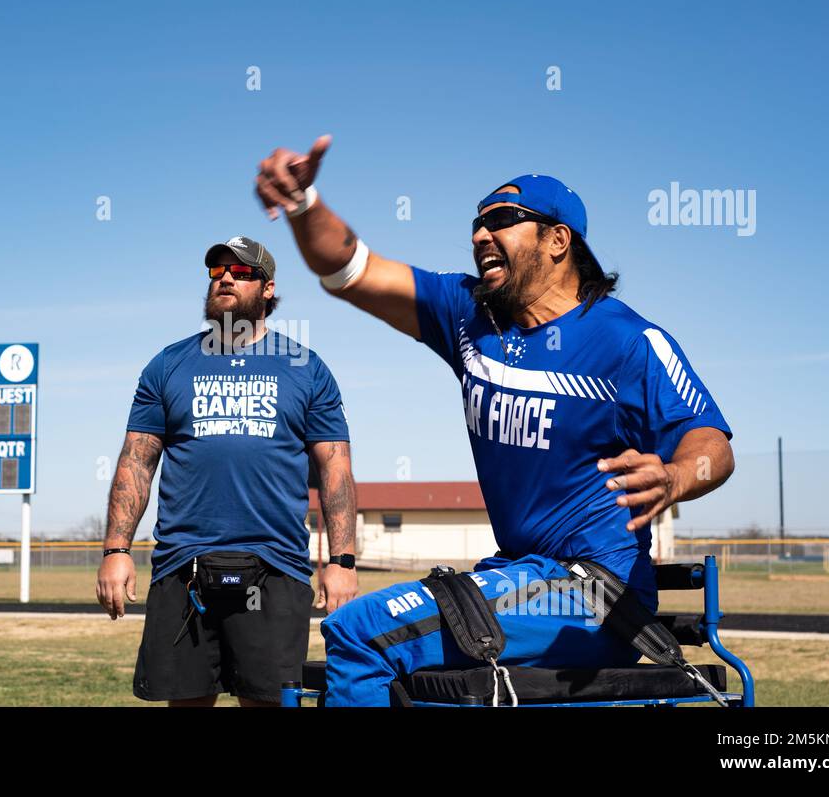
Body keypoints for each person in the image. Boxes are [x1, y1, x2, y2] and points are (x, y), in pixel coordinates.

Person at [254, 137, 735, 706]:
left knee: (361, 630)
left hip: (595, 594)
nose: (481, 234)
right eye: (477, 223)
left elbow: (714, 445)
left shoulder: (626, 341)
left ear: (559, 240)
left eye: (503, 220)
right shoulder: (468, 315)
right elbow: (349, 267)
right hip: (520, 574)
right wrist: (305, 202)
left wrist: (676, 477)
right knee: (403, 667)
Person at [96, 236, 359, 706]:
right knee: (185, 699)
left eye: (240, 273)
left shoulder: (305, 367)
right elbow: (137, 460)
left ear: (269, 289)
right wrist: (117, 549)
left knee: (270, 700)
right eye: (217, 271)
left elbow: (335, 467)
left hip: (275, 567)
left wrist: (341, 562)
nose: (225, 279)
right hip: (184, 566)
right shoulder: (169, 364)